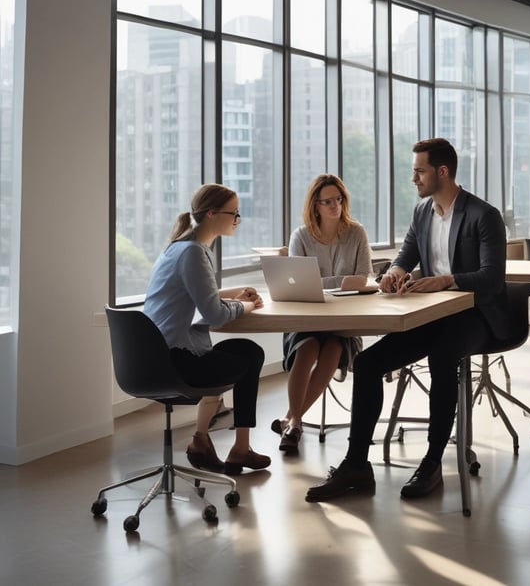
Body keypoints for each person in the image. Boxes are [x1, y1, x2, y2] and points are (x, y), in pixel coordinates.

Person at [305, 138, 511, 503]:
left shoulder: (483, 215)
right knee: (368, 364)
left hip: (473, 315)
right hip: (431, 313)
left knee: (443, 357)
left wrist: (448, 280)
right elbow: (407, 253)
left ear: (442, 172)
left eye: (419, 171)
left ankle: (432, 463)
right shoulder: (422, 212)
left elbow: (493, 279)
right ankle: (356, 465)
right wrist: (395, 271)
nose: (413, 178)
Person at [143, 183, 271, 476]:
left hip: (154, 358)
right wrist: (249, 306)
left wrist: (235, 294)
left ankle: (206, 440)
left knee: (246, 350)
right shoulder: (193, 252)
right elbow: (213, 313)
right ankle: (238, 447)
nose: (237, 220)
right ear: (212, 214)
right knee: (250, 358)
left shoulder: (177, 248)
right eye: (234, 213)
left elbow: (200, 294)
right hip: (176, 364)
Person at [272, 174, 373, 454]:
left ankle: (291, 421)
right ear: (315, 205)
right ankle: (297, 422)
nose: (334, 207)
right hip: (307, 317)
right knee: (307, 348)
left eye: (338, 200)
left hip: (344, 320)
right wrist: (340, 282)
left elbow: (364, 278)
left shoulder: (357, 233)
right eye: (327, 202)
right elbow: (299, 282)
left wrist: (328, 282)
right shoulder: (301, 236)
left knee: (332, 349)